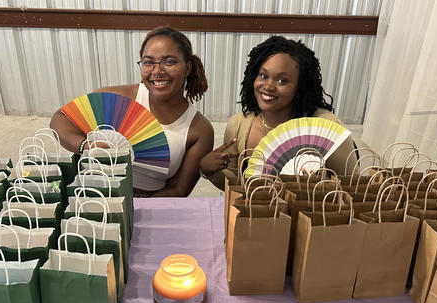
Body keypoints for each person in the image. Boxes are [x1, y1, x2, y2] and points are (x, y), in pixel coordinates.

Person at [50, 26, 213, 197]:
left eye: (169, 61)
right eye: (148, 62)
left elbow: (178, 190)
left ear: (187, 68)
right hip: (93, 194)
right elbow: (61, 118)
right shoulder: (116, 99)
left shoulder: (200, 130)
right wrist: (85, 146)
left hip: (151, 205)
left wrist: (129, 212)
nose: (157, 71)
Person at [199, 36, 356, 190]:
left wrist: (324, 185)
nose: (268, 86)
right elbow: (237, 186)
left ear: (300, 87)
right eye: (263, 76)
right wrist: (208, 171)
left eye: (282, 81)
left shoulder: (328, 127)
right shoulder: (239, 123)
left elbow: (355, 188)